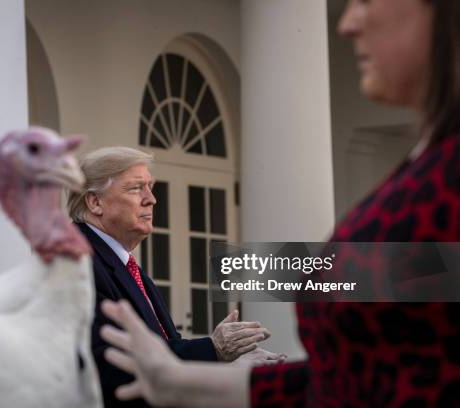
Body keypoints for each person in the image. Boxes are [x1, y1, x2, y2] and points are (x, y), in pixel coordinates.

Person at [99, 0, 460, 406]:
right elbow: (353, 378)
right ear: (93, 202)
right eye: (136, 189)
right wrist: (180, 379)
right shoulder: (428, 162)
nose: (347, 23)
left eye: (365, 0)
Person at [66, 147, 284, 407]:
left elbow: (166, 349)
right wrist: (212, 350)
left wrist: (227, 364)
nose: (151, 199)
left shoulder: (126, 267)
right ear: (95, 202)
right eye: (136, 188)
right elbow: (110, 362)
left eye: (150, 187)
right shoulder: (76, 260)